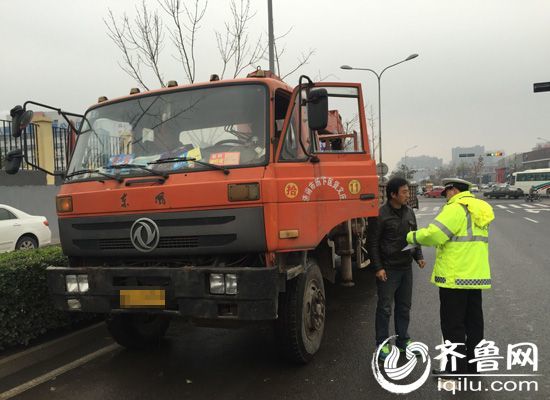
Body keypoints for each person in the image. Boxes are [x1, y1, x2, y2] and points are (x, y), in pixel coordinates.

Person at [406, 178, 494, 377]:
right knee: (474, 323)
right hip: (475, 276)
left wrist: (411, 237)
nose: (445, 197)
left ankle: (454, 370)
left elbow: (435, 235)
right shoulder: (479, 208)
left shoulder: (456, 208)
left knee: (453, 324)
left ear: (453, 190)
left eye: (446, 192)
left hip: (455, 277)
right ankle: (473, 366)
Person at [368, 177, 425, 361]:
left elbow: (414, 237)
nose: (408, 195)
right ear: (393, 194)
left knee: (404, 307)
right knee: (385, 308)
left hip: (405, 267)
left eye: (408, 191)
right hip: (388, 269)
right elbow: (373, 243)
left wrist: (419, 256)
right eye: (404, 192)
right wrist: (378, 268)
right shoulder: (380, 214)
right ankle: (382, 344)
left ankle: (403, 342)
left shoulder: (409, 212)